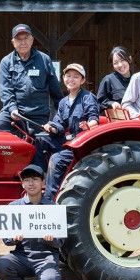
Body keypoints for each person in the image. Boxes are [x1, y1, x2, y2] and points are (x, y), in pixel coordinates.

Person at [0, 164, 64, 280]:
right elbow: (6, 240)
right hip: (22, 256)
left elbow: (60, 242)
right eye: (27, 180)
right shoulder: (13, 207)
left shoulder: (54, 208)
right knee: (2, 265)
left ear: (43, 183)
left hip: (46, 257)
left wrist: (51, 239)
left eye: (35, 179)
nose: (31, 183)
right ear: (22, 184)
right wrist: (13, 238)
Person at [0, 24, 63, 134]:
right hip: (14, 112)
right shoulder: (6, 62)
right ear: (13, 42)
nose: (23, 42)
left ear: (32, 40)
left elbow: (55, 90)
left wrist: (64, 112)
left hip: (38, 114)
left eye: (26, 38)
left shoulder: (44, 59)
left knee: (37, 144)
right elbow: (6, 91)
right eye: (18, 39)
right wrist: (12, 109)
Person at [42, 63, 99, 201]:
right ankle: (36, 180)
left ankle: (49, 199)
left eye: (75, 76)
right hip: (68, 140)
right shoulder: (63, 102)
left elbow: (94, 120)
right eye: (68, 76)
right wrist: (51, 127)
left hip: (82, 144)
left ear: (82, 80)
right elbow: (59, 124)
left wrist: (88, 125)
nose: (71, 79)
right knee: (38, 141)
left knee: (56, 159)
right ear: (63, 78)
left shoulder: (88, 97)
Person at [97, 46, 133, 111]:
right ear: (112, 65)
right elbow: (99, 102)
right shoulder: (108, 80)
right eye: (115, 63)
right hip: (118, 119)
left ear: (130, 59)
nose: (120, 65)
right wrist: (112, 103)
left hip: (138, 118)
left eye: (122, 60)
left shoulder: (138, 78)